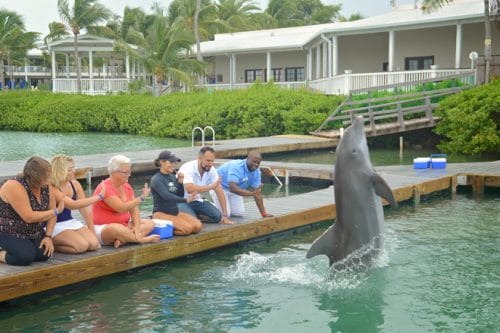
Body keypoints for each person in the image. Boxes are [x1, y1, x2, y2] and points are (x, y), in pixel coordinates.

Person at [0, 156, 64, 266]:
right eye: (47, 176)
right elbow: (28, 217)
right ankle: (1, 253)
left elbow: (52, 213)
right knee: (24, 257)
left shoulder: (46, 186)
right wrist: (56, 211)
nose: (50, 178)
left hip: (33, 231)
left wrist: (48, 237)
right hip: (8, 230)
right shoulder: (14, 185)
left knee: (45, 254)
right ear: (36, 177)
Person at [92, 155, 160, 248]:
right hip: (104, 228)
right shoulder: (104, 188)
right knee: (116, 229)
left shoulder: (126, 186)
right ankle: (141, 240)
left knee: (150, 223)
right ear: (114, 173)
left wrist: (137, 227)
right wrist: (141, 198)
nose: (129, 174)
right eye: (126, 172)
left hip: (124, 226)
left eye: (129, 171)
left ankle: (124, 240)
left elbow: (134, 209)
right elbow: (121, 208)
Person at [50, 155, 101, 254]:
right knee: (82, 246)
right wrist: (98, 197)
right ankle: (53, 244)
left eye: (73, 168)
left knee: (94, 244)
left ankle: (70, 240)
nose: (73, 171)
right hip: (55, 224)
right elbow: (71, 205)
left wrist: (92, 231)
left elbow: (84, 209)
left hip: (69, 221)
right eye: (69, 170)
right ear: (61, 171)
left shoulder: (75, 184)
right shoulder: (52, 187)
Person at [150, 150, 202, 236]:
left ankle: (174, 226)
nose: (173, 165)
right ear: (162, 162)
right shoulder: (156, 179)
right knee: (187, 229)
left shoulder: (172, 176)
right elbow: (167, 196)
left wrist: (180, 182)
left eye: (174, 162)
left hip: (175, 212)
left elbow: (179, 195)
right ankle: (162, 230)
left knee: (198, 226)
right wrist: (186, 200)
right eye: (170, 162)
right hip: (160, 214)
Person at [178, 146, 233, 224]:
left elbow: (219, 191)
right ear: (199, 158)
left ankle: (195, 215)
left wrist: (225, 215)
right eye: (208, 161)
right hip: (181, 201)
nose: (210, 164)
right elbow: (189, 189)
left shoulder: (211, 169)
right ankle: (188, 215)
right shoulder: (188, 168)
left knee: (217, 217)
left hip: (196, 200)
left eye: (212, 161)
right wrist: (211, 187)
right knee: (193, 222)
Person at [211, 150, 273, 218]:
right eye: (254, 161)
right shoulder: (236, 166)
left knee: (238, 213)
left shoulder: (257, 172)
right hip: (218, 186)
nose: (256, 164)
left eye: (258, 163)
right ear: (247, 159)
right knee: (226, 214)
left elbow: (257, 194)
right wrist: (252, 193)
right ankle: (209, 205)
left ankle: (220, 205)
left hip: (235, 189)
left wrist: (264, 213)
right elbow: (233, 188)